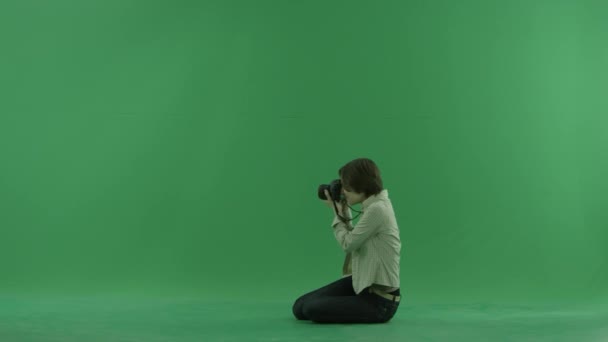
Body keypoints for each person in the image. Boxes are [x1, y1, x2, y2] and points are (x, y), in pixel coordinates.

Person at [292, 157, 402, 324]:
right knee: (299, 307)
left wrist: (336, 212)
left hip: (380, 301)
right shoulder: (372, 205)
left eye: (348, 189)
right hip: (361, 283)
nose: (344, 192)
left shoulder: (378, 209)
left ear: (363, 188)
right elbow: (355, 238)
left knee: (311, 309)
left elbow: (349, 243)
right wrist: (342, 210)